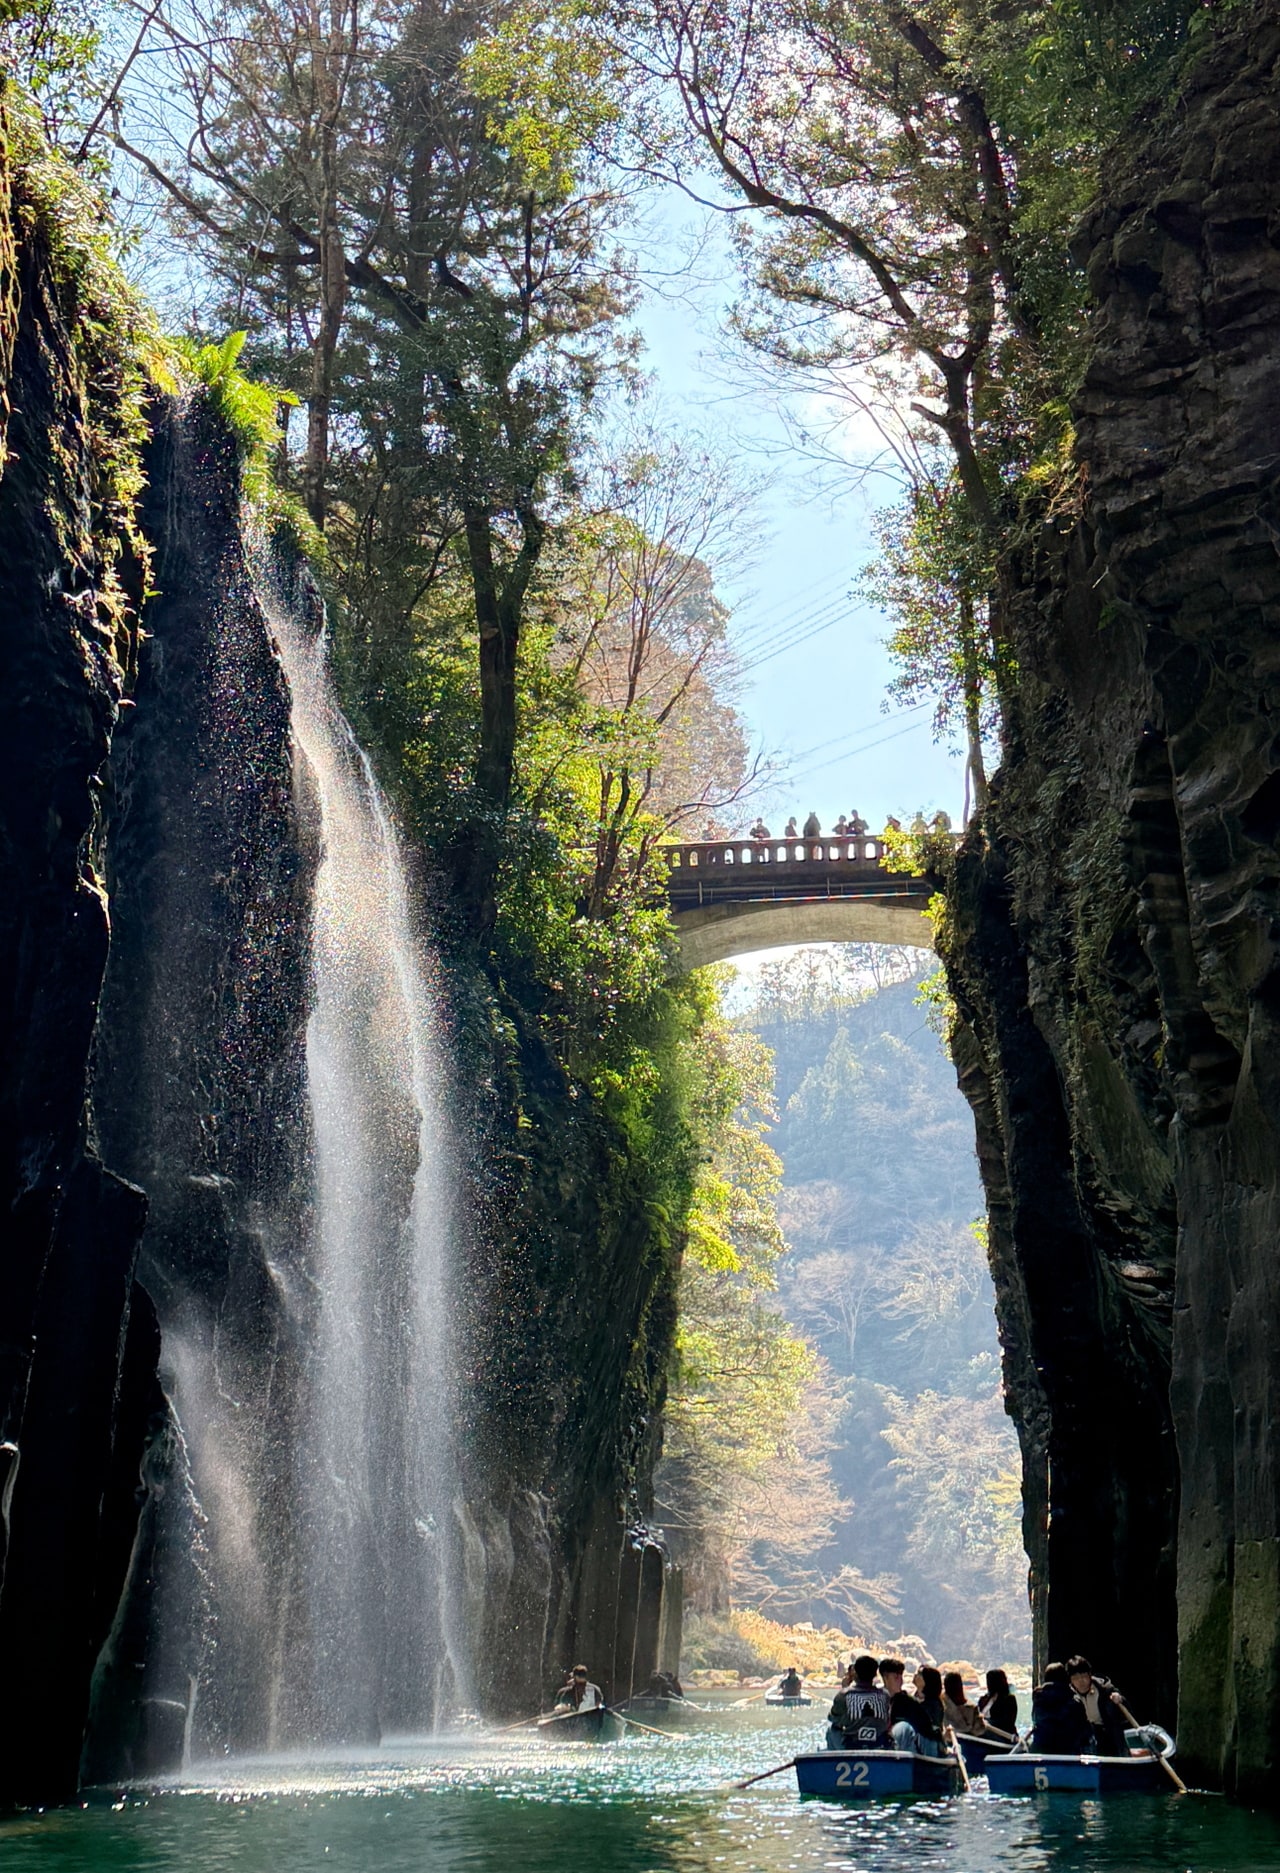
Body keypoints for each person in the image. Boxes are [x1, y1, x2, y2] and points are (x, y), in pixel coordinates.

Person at [881, 1657, 946, 1757]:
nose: (900, 1681)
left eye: (900, 1676)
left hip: (919, 1744)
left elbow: (928, 1727)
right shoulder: (878, 1698)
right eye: (896, 1677)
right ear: (885, 1678)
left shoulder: (912, 1702)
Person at [1066, 1655, 1131, 1756]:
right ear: (1070, 1680)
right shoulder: (1069, 1696)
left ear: (1089, 1675)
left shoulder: (1105, 1690)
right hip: (1086, 1738)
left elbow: (1127, 1713)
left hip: (1109, 1737)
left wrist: (1120, 1700)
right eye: (1076, 1678)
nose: (1081, 1681)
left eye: (1083, 1676)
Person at [826, 1654, 891, 1750]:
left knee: (831, 1730)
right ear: (874, 1674)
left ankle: (835, 1760)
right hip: (879, 1743)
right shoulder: (885, 1695)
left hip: (851, 1745)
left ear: (855, 1673)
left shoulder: (844, 1695)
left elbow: (833, 1718)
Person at [1029, 1662, 1091, 1753]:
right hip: (1069, 1753)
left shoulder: (1038, 1699)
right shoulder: (1074, 1701)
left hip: (1041, 1750)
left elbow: (1035, 1721)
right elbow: (1084, 1731)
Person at [977, 1667, 1018, 1738]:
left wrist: (987, 1723)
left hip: (1003, 1735)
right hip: (984, 1733)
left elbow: (1008, 1722)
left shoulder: (1009, 1699)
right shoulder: (983, 1699)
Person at [942, 1671, 984, 1736]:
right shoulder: (972, 1709)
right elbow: (979, 1730)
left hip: (951, 1741)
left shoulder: (941, 1708)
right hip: (972, 1742)